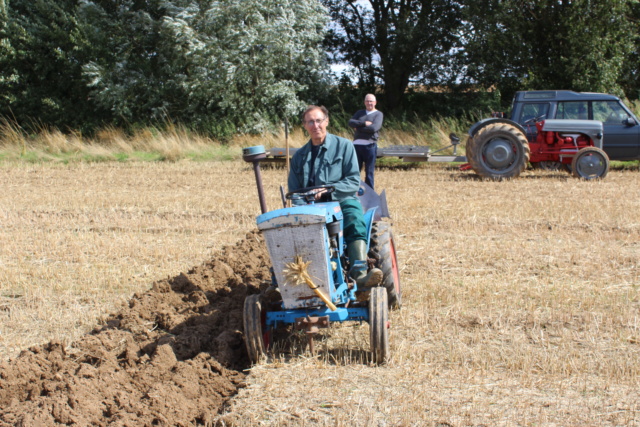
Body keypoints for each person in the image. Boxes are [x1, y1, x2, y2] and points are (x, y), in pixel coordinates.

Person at [288, 105, 383, 289]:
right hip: (311, 206)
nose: (315, 125)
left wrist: (328, 190)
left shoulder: (344, 146)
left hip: (341, 200)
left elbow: (353, 181)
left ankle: (359, 274)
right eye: (310, 122)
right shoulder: (299, 156)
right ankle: (291, 281)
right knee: (288, 229)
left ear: (326, 122)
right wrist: (300, 207)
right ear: (305, 125)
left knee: (354, 217)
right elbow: (295, 192)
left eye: (318, 120)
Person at [348, 94, 383, 190]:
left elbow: (374, 128)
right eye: (367, 101)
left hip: (370, 146)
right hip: (356, 146)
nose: (369, 103)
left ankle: (370, 192)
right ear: (364, 102)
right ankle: (353, 190)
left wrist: (358, 128)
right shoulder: (360, 113)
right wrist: (364, 123)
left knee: (369, 172)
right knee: (355, 171)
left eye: (371, 101)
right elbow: (350, 122)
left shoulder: (378, 114)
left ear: (375, 102)